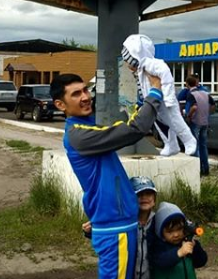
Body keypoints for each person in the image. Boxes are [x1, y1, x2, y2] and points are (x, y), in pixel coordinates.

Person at [50, 73, 163, 279]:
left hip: (119, 225)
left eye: (85, 90)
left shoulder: (89, 127)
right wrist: (155, 90)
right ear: (60, 104)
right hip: (115, 229)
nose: (86, 97)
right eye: (76, 94)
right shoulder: (78, 135)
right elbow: (134, 129)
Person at [122, 34, 196, 157]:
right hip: (155, 103)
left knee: (175, 122)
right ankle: (171, 144)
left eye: (127, 60)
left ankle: (189, 140)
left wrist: (168, 97)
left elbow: (166, 76)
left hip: (166, 102)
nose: (126, 64)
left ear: (134, 57)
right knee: (161, 125)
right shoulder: (141, 70)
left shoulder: (151, 64)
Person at [82, 175, 158, 279]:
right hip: (128, 273)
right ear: (129, 199)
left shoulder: (159, 220)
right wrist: (93, 231)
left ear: (154, 199)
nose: (144, 197)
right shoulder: (122, 223)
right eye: (139, 194)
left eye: (148, 193)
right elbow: (111, 238)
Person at [149, 202, 207, 279]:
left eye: (179, 229)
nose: (176, 234)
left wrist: (195, 248)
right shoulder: (158, 246)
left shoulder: (186, 243)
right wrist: (179, 253)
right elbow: (160, 263)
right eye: (170, 231)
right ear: (160, 232)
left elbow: (201, 262)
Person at [185, 75, 216, 176]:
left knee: (195, 145)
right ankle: (206, 169)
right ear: (196, 83)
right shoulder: (205, 93)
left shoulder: (191, 94)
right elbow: (213, 105)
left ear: (187, 84)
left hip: (195, 122)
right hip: (205, 122)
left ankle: (197, 170)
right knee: (203, 146)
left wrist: (189, 116)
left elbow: (194, 107)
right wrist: (207, 113)